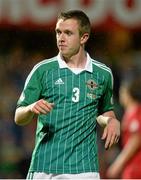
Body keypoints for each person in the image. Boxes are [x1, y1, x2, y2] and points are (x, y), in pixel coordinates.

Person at [14, 10, 120, 179]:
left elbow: (103, 111)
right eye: (58, 32)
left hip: (85, 168)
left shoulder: (103, 74)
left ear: (84, 38)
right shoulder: (42, 71)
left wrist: (111, 120)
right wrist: (31, 108)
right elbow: (18, 117)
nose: (61, 38)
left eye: (68, 33)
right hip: (45, 165)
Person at [107, 76, 141, 179]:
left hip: (136, 167)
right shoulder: (128, 113)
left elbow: (137, 138)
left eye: (122, 91)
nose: (120, 94)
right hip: (130, 166)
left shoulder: (137, 112)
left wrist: (118, 163)